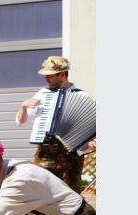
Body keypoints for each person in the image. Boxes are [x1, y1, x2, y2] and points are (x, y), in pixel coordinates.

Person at [16, 56, 92, 191]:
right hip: (45, 152)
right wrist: (23, 107)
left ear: (62, 74)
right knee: (42, 190)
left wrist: (92, 140)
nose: (46, 79)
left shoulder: (81, 96)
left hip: (71, 155)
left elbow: (91, 126)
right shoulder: (42, 94)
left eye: (49, 75)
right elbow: (21, 123)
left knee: (71, 194)